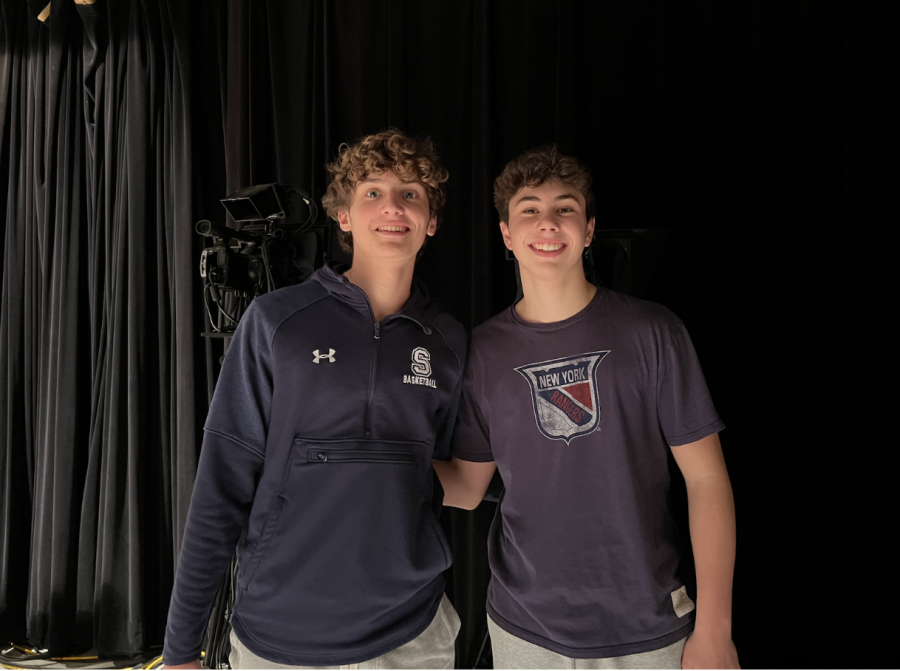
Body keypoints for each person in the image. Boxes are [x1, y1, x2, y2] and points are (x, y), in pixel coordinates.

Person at [163, 130, 465, 669]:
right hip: (281, 636)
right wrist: (181, 647)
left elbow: (458, 475)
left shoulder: (448, 340)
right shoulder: (277, 321)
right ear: (343, 217)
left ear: (431, 221)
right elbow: (220, 484)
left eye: (411, 193)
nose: (392, 206)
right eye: (372, 192)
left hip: (414, 637)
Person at [434, 146, 739, 669]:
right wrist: (377, 455)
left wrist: (715, 627)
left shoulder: (653, 332)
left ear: (589, 228)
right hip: (524, 629)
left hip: (648, 627)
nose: (547, 222)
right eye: (529, 208)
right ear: (506, 234)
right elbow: (466, 489)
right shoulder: (482, 351)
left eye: (565, 207)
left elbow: (707, 481)